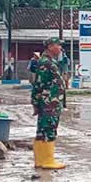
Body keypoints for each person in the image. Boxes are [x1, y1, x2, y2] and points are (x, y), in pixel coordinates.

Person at [31, 38, 66, 169]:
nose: (60, 48)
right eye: (58, 45)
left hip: (49, 101)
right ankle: (47, 161)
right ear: (50, 47)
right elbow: (38, 84)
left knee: (42, 130)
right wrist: (35, 101)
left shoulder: (49, 61)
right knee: (49, 129)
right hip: (49, 102)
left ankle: (40, 160)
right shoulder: (46, 62)